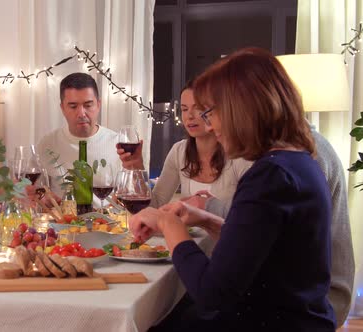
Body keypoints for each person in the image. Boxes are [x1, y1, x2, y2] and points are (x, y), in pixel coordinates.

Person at [130, 47, 336, 330]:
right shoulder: (297, 161)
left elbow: (212, 293)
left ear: (243, 110)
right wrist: (205, 219)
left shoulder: (269, 176)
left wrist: (168, 224)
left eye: (211, 112)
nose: (210, 125)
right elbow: (261, 247)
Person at [117, 79, 253, 210]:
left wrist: (207, 206)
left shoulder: (238, 155)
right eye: (184, 109)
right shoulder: (179, 151)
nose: (190, 116)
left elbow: (252, 215)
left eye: (198, 108)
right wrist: (136, 168)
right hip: (185, 234)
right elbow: (155, 204)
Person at [36, 72, 120, 207]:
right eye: (73, 106)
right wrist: (43, 198)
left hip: (106, 224)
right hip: (62, 224)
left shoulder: (118, 143)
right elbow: (35, 191)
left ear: (98, 105)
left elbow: (128, 193)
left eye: (88, 105)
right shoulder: (47, 144)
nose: (81, 113)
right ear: (62, 108)